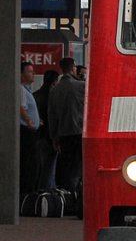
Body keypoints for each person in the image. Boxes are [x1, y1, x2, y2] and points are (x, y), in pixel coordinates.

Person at [48, 57, 85, 191]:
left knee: (66, 165)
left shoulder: (55, 90)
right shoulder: (81, 86)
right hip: (79, 132)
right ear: (73, 68)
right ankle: (77, 192)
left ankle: (66, 192)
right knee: (79, 166)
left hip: (63, 133)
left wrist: (54, 137)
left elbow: (51, 115)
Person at [33, 69, 59, 189]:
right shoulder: (53, 97)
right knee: (49, 167)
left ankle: (39, 190)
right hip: (49, 136)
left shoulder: (35, 95)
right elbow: (53, 117)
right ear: (54, 82)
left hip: (37, 135)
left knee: (40, 167)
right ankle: (48, 192)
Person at [18, 61, 40, 196]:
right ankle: (26, 194)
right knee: (29, 163)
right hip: (26, 131)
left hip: (30, 131)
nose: (33, 74)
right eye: (30, 72)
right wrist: (29, 121)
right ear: (21, 74)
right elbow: (21, 107)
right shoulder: (20, 89)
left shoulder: (27, 90)